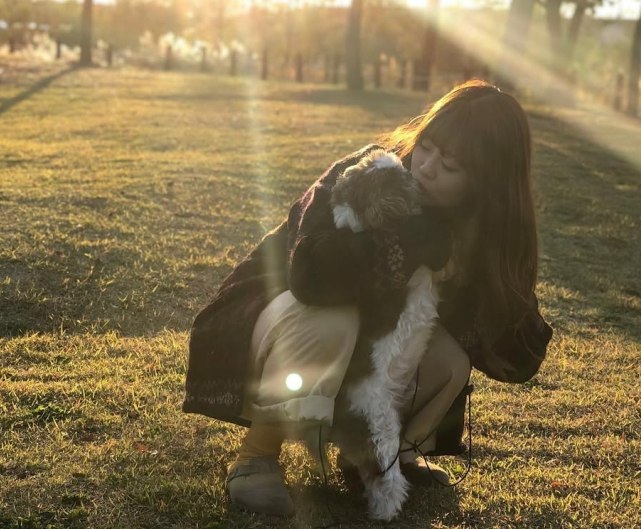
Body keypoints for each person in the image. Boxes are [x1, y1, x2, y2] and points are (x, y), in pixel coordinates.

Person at [182, 80, 553, 517]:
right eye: (428, 146)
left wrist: (482, 269)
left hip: (368, 358)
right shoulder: (370, 173)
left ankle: (385, 455)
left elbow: (517, 358)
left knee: (450, 359)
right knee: (334, 321)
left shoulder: (478, 227)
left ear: (486, 184)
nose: (427, 167)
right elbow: (309, 278)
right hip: (279, 321)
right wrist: (413, 244)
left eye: (449, 164)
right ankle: (256, 457)